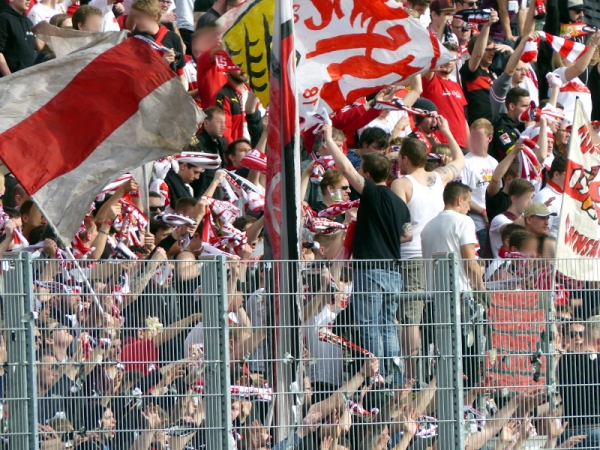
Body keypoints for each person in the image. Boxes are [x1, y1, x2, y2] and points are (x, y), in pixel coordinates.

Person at [322, 122, 412, 387]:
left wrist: (329, 139)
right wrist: (384, 235)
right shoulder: (399, 202)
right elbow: (407, 235)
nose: (358, 174)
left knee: (370, 325)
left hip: (371, 270)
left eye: (362, 170)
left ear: (369, 175)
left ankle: (377, 379)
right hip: (393, 273)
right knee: (388, 325)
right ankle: (393, 380)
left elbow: (346, 169)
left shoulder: (373, 193)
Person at [391, 115, 465, 378]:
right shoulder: (438, 177)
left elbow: (398, 223)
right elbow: (460, 160)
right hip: (437, 257)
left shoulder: (401, 183)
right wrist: (447, 130)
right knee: (436, 316)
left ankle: (412, 378)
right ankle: (438, 374)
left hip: (411, 256)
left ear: (405, 159)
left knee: (410, 318)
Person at [461, 119, 498, 255]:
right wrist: (483, 212)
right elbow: (462, 196)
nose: (474, 141)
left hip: (494, 225)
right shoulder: (465, 162)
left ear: (489, 138)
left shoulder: (493, 162)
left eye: (478, 138)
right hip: (477, 226)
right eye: (472, 137)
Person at [422, 42, 469, 150]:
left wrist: (469, 144)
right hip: (440, 142)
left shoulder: (457, 86)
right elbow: (430, 64)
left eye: (452, 59)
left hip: (461, 144)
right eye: (445, 57)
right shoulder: (430, 80)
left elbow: (462, 118)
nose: (449, 62)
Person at [130, 0, 187, 86]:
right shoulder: (133, 38)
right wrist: (162, 63)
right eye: (135, 17)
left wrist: (182, 92)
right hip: (145, 90)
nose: (136, 21)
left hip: (168, 89)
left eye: (140, 17)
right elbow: (134, 74)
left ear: (155, 17)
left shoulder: (173, 38)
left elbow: (180, 73)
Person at [460, 9, 499, 124]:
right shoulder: (471, 70)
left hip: (497, 125)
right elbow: (478, 54)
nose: (492, 53)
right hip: (480, 126)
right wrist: (487, 25)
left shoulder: (493, 73)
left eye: (493, 50)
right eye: (488, 50)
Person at [490, 33, 536, 121]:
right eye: (519, 69)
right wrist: (522, 43)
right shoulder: (500, 87)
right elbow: (509, 69)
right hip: (503, 127)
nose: (524, 73)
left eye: (525, 70)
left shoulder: (522, 89)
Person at [488, 178, 535, 257]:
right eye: (527, 198)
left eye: (532, 198)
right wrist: (534, 215)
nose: (531, 202)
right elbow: (510, 229)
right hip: (501, 263)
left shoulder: (524, 219)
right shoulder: (499, 219)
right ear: (513, 199)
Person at [189, 106, 228, 196]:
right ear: (206, 123)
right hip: (203, 198)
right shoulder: (196, 144)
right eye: (219, 122)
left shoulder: (221, 145)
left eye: (224, 123)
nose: (224, 127)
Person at [490, 87, 531, 161]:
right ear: (512, 107)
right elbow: (518, 156)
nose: (529, 110)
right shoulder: (502, 129)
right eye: (524, 106)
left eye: (530, 106)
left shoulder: (522, 125)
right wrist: (529, 129)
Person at [0, 0, 38, 76]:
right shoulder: (3, 18)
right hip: (11, 79)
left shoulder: (28, 22)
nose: (29, 0)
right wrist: (9, 77)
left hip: (30, 77)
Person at [532, 155, 566, 238]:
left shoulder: (564, 196)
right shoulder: (544, 197)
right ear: (556, 175)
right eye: (569, 174)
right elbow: (541, 235)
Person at [216, 69, 249, 142]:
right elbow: (225, 130)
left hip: (258, 146)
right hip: (238, 147)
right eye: (238, 66)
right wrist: (232, 147)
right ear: (227, 70)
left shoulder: (253, 92)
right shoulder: (224, 95)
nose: (243, 69)